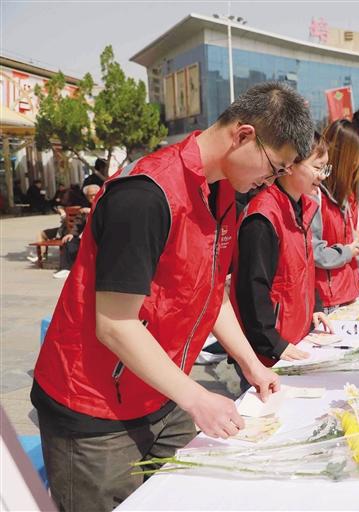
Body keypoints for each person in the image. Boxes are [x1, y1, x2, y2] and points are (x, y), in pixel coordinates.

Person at [31, 82, 311, 511]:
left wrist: (252, 364)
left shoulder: (224, 194)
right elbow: (116, 324)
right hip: (94, 409)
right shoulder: (146, 195)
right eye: (274, 168)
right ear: (244, 136)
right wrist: (196, 398)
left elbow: (211, 294)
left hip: (161, 391)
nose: (271, 181)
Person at [231, 132, 333, 383]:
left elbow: (304, 269)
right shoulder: (263, 217)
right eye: (317, 167)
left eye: (325, 168)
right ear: (289, 165)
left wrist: (316, 307)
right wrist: (273, 342)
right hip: (267, 350)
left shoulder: (303, 208)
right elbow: (252, 288)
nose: (322, 176)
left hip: (294, 338)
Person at [311, 119, 359, 311]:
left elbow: (351, 241)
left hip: (347, 291)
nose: (357, 173)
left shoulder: (347, 196)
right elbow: (314, 252)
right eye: (355, 165)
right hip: (325, 298)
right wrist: (350, 251)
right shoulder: (314, 196)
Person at [53, 184, 101, 279]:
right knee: (69, 241)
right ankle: (66, 269)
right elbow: (78, 223)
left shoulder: (104, 204)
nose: (92, 197)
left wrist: (92, 211)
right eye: (90, 196)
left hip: (99, 238)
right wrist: (71, 234)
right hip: (85, 238)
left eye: (95, 195)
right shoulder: (84, 207)